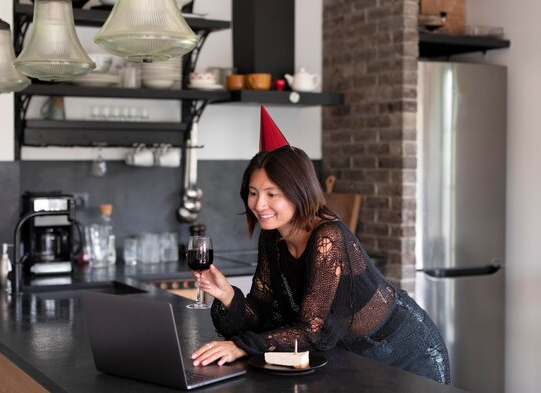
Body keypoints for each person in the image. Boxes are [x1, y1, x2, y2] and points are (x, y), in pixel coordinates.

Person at [190, 107, 451, 385]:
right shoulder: (273, 236)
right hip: (353, 357)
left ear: (298, 191)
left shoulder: (329, 237)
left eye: (271, 194)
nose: (258, 205)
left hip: (407, 354)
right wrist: (228, 294)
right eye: (253, 193)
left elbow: (313, 332)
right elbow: (262, 313)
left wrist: (243, 346)